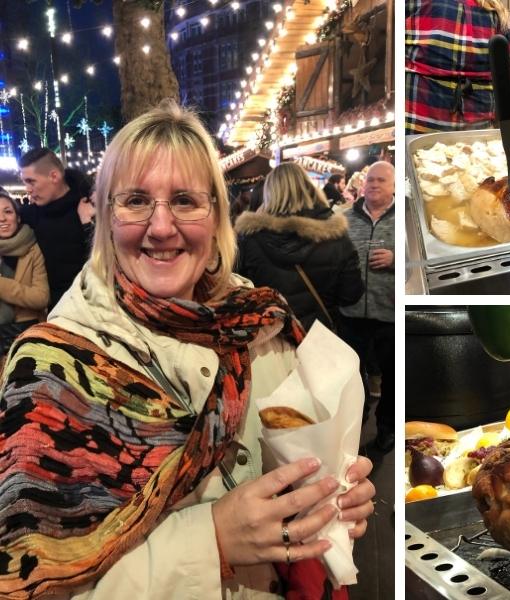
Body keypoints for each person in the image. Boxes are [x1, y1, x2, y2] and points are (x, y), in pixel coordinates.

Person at [0, 101, 375, 599]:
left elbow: (303, 472)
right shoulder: (50, 370)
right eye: (135, 200)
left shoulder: (262, 325)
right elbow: (36, 586)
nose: (160, 227)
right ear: (105, 216)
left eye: (184, 201)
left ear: (216, 214)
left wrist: (331, 501)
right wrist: (212, 541)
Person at [235, 162, 364, 332]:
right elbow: (351, 295)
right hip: (319, 337)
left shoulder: (249, 239)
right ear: (308, 188)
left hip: (269, 338)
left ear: (268, 193)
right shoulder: (335, 236)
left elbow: (239, 293)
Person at [339, 161, 395, 452]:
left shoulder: (405, 219)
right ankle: (350, 433)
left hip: (389, 316)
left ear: (394, 186)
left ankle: (387, 432)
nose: (373, 184)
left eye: (381, 180)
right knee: (350, 380)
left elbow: (420, 265)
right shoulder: (345, 219)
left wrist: (396, 259)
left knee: (391, 380)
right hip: (351, 314)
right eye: (370, 180)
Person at [405, 0, 510, 133]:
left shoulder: (417, 3)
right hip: (476, 131)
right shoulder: (497, 12)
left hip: (421, 123)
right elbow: (505, 60)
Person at [18, 147, 94, 309]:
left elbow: (108, 259)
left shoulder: (92, 206)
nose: (27, 189)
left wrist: (89, 225)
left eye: (31, 181)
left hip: (92, 304)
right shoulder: (27, 215)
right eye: (24, 182)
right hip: (52, 311)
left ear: (54, 176)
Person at [0, 189, 49, 355]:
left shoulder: (32, 249)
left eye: (8, 211)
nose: (2, 218)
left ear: (18, 217)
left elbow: (41, 298)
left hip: (26, 333)